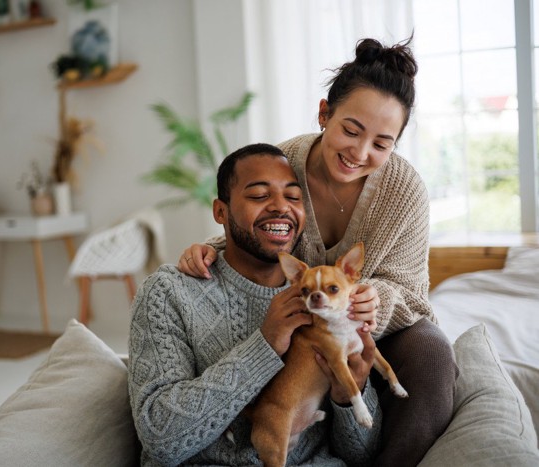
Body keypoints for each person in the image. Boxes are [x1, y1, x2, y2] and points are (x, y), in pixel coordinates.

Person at [177, 37, 458, 466]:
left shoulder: (405, 191)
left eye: (381, 144)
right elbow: (259, 225)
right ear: (325, 114)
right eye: (350, 130)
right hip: (300, 321)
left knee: (433, 352)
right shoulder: (285, 160)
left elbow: (412, 291)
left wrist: (374, 299)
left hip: (371, 324)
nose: (359, 153)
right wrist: (209, 249)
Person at [128, 143, 382, 466]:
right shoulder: (169, 292)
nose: (280, 207)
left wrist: (348, 396)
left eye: (293, 197)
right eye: (260, 195)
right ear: (220, 211)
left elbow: (364, 454)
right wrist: (264, 346)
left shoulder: (328, 294)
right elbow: (160, 439)